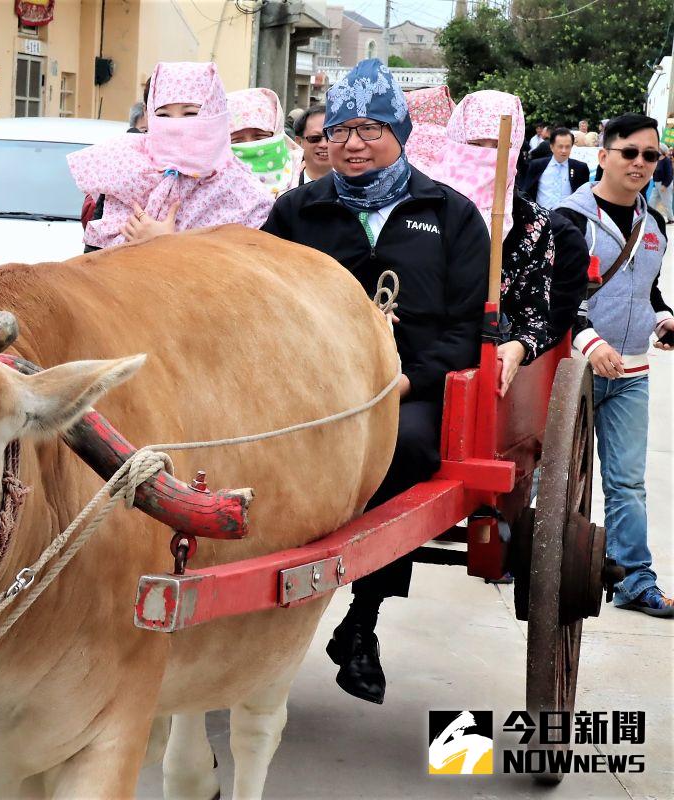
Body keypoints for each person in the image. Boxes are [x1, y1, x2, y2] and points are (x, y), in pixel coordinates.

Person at [263, 59, 489, 704]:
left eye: (370, 129)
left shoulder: (450, 214)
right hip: (306, 386)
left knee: (410, 450)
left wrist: (407, 384)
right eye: (339, 130)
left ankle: (362, 619)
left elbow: (465, 328)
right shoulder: (295, 212)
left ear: (400, 133)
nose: (352, 143)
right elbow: (257, 306)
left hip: (405, 390)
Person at [553, 113, 674, 617]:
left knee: (626, 482)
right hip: (574, 372)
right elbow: (557, 298)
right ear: (602, 156)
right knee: (551, 478)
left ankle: (633, 579)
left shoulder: (656, 222)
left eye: (652, 155)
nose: (641, 163)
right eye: (630, 152)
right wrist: (587, 340)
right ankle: (548, 568)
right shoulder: (568, 218)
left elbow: (646, 287)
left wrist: (664, 316)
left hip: (630, 374)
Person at [408, 90, 564, 396]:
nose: (486, 156)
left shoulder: (531, 222)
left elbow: (534, 314)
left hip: (482, 356)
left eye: (499, 146)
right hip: (412, 351)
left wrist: (519, 345)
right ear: (456, 143)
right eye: (476, 145)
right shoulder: (416, 205)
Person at [67, 61, 273, 251]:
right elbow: (92, 267)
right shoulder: (125, 171)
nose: (176, 125)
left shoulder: (245, 195)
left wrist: (168, 245)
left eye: (190, 113)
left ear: (215, 114)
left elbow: (247, 278)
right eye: (163, 115)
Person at [226, 87, 302, 198]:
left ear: (277, 134)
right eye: (236, 141)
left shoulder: (305, 178)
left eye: (260, 138)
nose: (250, 146)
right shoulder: (205, 188)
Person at [521, 127, 589, 208]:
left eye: (567, 147)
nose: (564, 150)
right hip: (542, 216)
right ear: (552, 147)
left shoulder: (580, 168)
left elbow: (584, 197)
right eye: (560, 146)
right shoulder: (537, 166)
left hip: (568, 217)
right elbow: (527, 191)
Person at [293, 104, 329, 185]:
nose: (324, 144)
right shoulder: (283, 186)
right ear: (299, 142)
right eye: (315, 138)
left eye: (329, 137)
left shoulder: (357, 186)